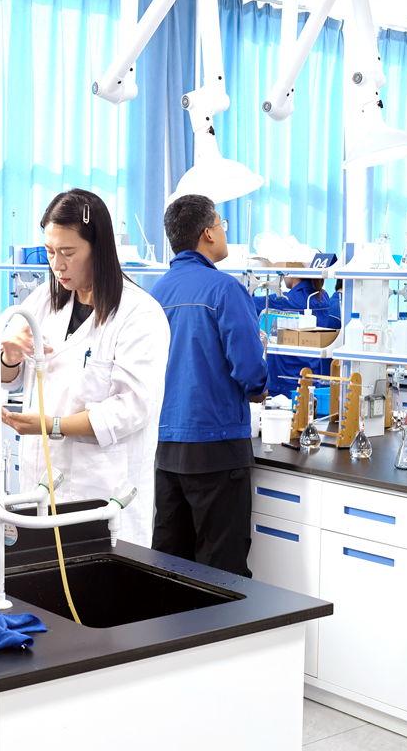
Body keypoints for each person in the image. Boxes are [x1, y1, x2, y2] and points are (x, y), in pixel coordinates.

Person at [0, 189, 169, 547]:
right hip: (39, 488)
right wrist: (9, 355)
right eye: (50, 252)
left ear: (98, 248)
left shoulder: (139, 314)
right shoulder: (43, 301)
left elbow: (133, 408)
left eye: (68, 253)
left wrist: (52, 426)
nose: (58, 265)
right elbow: (7, 379)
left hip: (103, 494)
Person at [149, 195, 267, 577]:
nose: (223, 230)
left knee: (169, 566)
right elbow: (251, 373)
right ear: (207, 234)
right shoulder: (224, 290)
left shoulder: (154, 294)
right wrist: (260, 387)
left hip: (165, 448)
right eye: (221, 223)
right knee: (222, 572)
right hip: (217, 450)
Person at [254, 274, 336, 399]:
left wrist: (253, 282)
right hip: (311, 377)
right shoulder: (323, 298)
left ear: (292, 273)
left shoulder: (285, 300)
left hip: (283, 383)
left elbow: (246, 302)